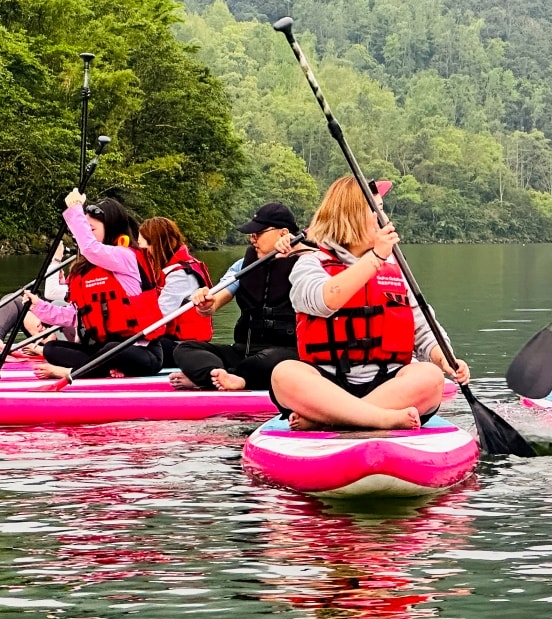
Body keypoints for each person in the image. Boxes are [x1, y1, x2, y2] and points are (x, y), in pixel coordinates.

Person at [269, 176, 468, 430]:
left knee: (429, 376)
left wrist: (447, 360)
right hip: (329, 383)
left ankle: (331, 420)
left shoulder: (396, 269)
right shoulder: (310, 264)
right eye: (378, 210)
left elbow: (424, 331)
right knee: (284, 374)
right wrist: (375, 258)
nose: (386, 219)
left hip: (387, 384)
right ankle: (379, 419)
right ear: (352, 216)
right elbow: (325, 300)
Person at [24, 189, 162, 379]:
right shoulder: (84, 270)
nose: (83, 236)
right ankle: (102, 368)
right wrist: (38, 307)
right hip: (102, 349)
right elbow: (76, 316)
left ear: (111, 229)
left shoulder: (126, 256)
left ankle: (74, 372)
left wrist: (75, 209)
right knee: (51, 349)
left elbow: (90, 248)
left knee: (114, 349)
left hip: (139, 350)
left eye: (91, 230)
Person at [169, 203, 301, 392]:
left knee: (269, 363)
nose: (252, 239)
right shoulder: (242, 266)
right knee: (184, 349)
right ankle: (216, 377)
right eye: (251, 234)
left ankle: (227, 377)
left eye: (258, 233)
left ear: (283, 233)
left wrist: (300, 249)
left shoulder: (307, 262)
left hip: (284, 353)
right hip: (244, 351)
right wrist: (206, 303)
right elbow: (213, 303)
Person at [137, 217, 215, 367]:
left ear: (156, 245)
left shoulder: (181, 275)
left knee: (128, 348)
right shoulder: (165, 270)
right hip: (170, 340)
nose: (141, 253)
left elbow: (158, 319)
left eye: (143, 247)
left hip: (183, 346)